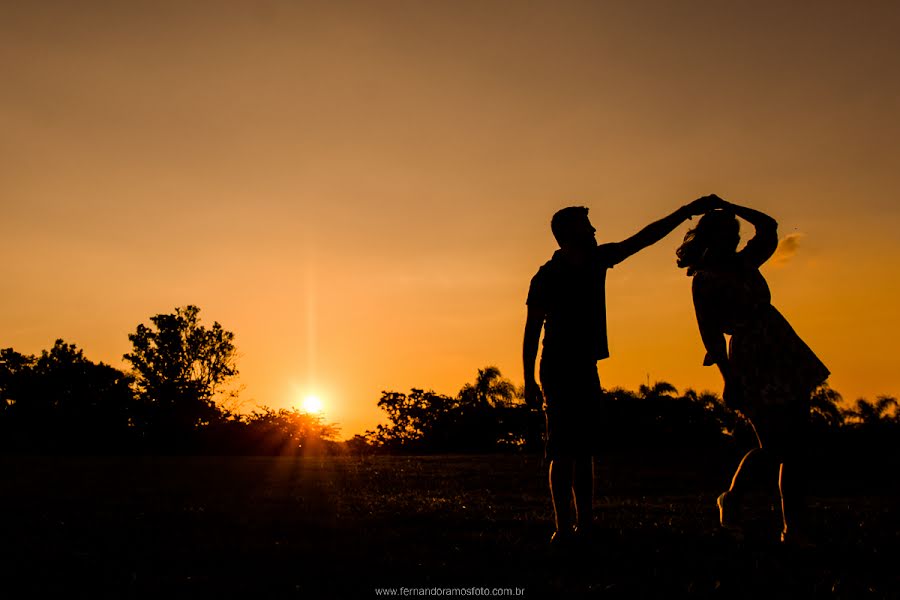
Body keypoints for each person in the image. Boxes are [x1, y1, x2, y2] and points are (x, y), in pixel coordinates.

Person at [523, 196, 719, 545]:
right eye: (588, 226)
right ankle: (563, 528)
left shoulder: (597, 260)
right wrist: (528, 382)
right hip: (556, 366)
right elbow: (531, 329)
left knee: (584, 450)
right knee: (562, 450)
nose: (595, 230)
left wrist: (685, 210)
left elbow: (644, 238)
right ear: (570, 233)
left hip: (585, 365)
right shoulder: (547, 276)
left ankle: (585, 525)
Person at [676, 198, 829, 544]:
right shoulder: (704, 279)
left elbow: (770, 226)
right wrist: (729, 378)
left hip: (782, 346)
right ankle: (731, 499)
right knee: (775, 446)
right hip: (750, 356)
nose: (733, 238)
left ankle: (793, 528)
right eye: (727, 232)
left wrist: (727, 204)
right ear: (710, 237)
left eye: (735, 232)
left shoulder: (746, 262)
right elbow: (710, 333)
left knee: (796, 448)